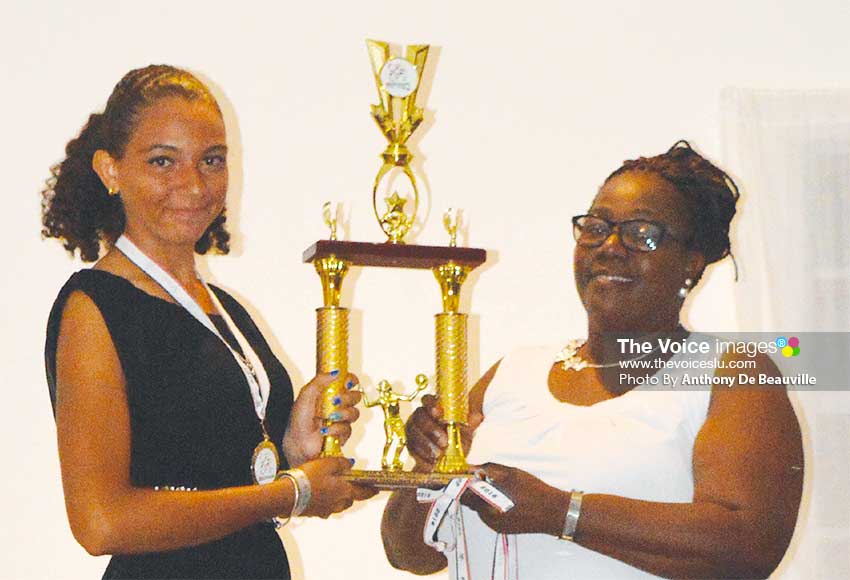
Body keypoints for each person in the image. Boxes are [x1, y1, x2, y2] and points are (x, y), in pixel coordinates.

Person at [381, 142, 804, 579]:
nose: (611, 247)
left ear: (691, 265)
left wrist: (561, 512)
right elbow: (408, 553)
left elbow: (747, 547)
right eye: (596, 228)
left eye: (643, 234)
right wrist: (428, 467)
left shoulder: (729, 372)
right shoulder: (512, 374)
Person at [42, 64, 373, 580]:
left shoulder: (225, 309)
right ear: (111, 171)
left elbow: (211, 464)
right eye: (162, 162)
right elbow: (101, 522)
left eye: (211, 160)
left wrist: (291, 446)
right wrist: (292, 492)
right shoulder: (94, 308)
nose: (192, 185)